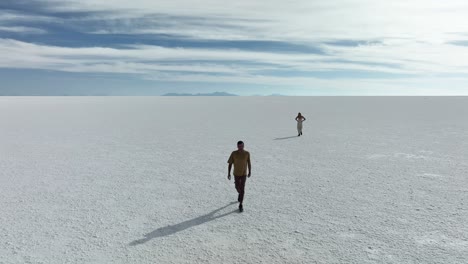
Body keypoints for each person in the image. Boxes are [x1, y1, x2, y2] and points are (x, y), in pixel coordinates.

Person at [227, 141, 251, 212]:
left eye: (242, 146)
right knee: (237, 187)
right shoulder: (234, 153)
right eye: (239, 146)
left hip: (244, 174)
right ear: (237, 146)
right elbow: (230, 164)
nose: (240, 147)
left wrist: (249, 171)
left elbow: (249, 163)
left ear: (243, 146)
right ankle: (239, 193)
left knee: (242, 188)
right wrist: (229, 173)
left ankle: (241, 204)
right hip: (236, 174)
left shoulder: (247, 153)